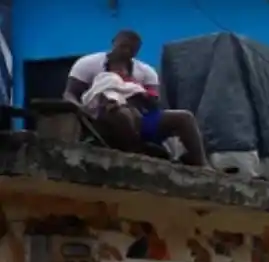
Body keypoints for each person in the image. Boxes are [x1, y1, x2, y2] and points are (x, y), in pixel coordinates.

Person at [63, 30, 207, 166]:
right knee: (121, 114)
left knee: (184, 117)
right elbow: (69, 94)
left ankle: (201, 164)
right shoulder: (88, 64)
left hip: (141, 118)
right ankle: (136, 154)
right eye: (123, 46)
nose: (126, 51)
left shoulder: (145, 71)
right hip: (100, 118)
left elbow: (154, 103)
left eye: (132, 49)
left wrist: (137, 91)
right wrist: (82, 110)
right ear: (114, 42)